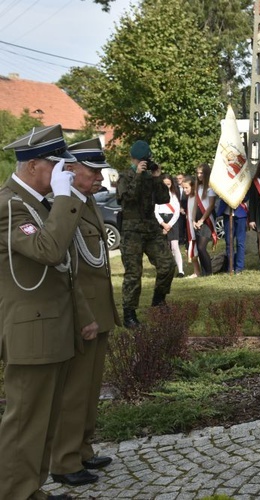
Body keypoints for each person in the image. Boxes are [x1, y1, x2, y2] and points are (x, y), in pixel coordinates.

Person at [0, 124, 97, 500]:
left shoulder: (36, 205)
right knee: (24, 422)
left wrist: (82, 315)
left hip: (52, 328)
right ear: (33, 165)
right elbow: (50, 251)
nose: (66, 174)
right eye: (58, 166)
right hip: (30, 333)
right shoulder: (9, 205)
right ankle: (14, 492)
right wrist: (63, 197)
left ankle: (30, 488)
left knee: (42, 420)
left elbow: (66, 271)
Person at [49, 138, 121, 488]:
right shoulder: (61, 206)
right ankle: (64, 460)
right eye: (92, 171)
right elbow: (65, 267)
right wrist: (83, 315)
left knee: (91, 387)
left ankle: (83, 449)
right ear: (70, 170)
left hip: (99, 309)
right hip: (81, 314)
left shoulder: (87, 202)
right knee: (74, 390)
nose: (99, 179)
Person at [117, 140, 175, 328]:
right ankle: (129, 314)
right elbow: (128, 198)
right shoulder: (125, 176)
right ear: (133, 159)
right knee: (134, 273)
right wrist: (138, 175)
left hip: (151, 229)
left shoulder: (151, 177)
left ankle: (158, 301)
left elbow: (164, 198)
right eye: (141, 160)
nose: (144, 163)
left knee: (167, 264)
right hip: (131, 232)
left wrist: (157, 176)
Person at [155, 175, 185, 278]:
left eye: (168, 184)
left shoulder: (174, 195)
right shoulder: (157, 195)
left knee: (175, 247)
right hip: (161, 222)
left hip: (172, 221)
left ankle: (181, 270)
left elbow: (177, 212)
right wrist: (163, 224)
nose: (166, 186)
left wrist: (169, 225)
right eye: (164, 184)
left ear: (171, 184)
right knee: (163, 248)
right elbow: (155, 211)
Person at [215, 187, 250, 274]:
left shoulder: (242, 182)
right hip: (227, 214)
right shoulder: (225, 181)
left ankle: (239, 267)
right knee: (229, 242)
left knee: (240, 242)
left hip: (240, 214)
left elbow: (246, 197)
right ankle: (231, 266)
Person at [192, 163, 217, 276]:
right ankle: (204, 272)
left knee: (202, 247)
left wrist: (202, 220)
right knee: (198, 247)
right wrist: (193, 220)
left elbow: (211, 206)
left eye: (201, 173)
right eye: (197, 173)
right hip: (197, 220)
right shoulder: (198, 187)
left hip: (206, 220)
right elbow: (195, 204)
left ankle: (209, 272)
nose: (199, 175)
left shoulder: (210, 188)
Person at [182, 176, 202, 278]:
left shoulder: (196, 197)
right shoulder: (188, 198)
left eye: (186, 188)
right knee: (191, 249)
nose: (184, 190)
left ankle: (198, 271)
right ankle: (196, 271)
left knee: (196, 249)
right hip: (189, 226)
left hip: (195, 226)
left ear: (192, 187)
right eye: (183, 188)